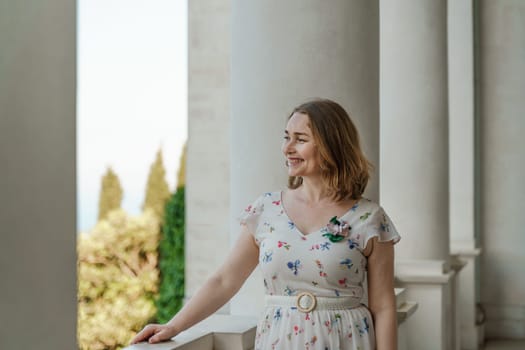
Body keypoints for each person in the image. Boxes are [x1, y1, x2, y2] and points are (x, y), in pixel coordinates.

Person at [131, 98, 400, 350]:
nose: (287, 148)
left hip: (346, 339)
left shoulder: (369, 218)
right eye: (286, 138)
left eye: (300, 139)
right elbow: (225, 280)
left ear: (331, 146)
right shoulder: (267, 209)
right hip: (279, 338)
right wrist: (173, 325)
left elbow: (384, 306)